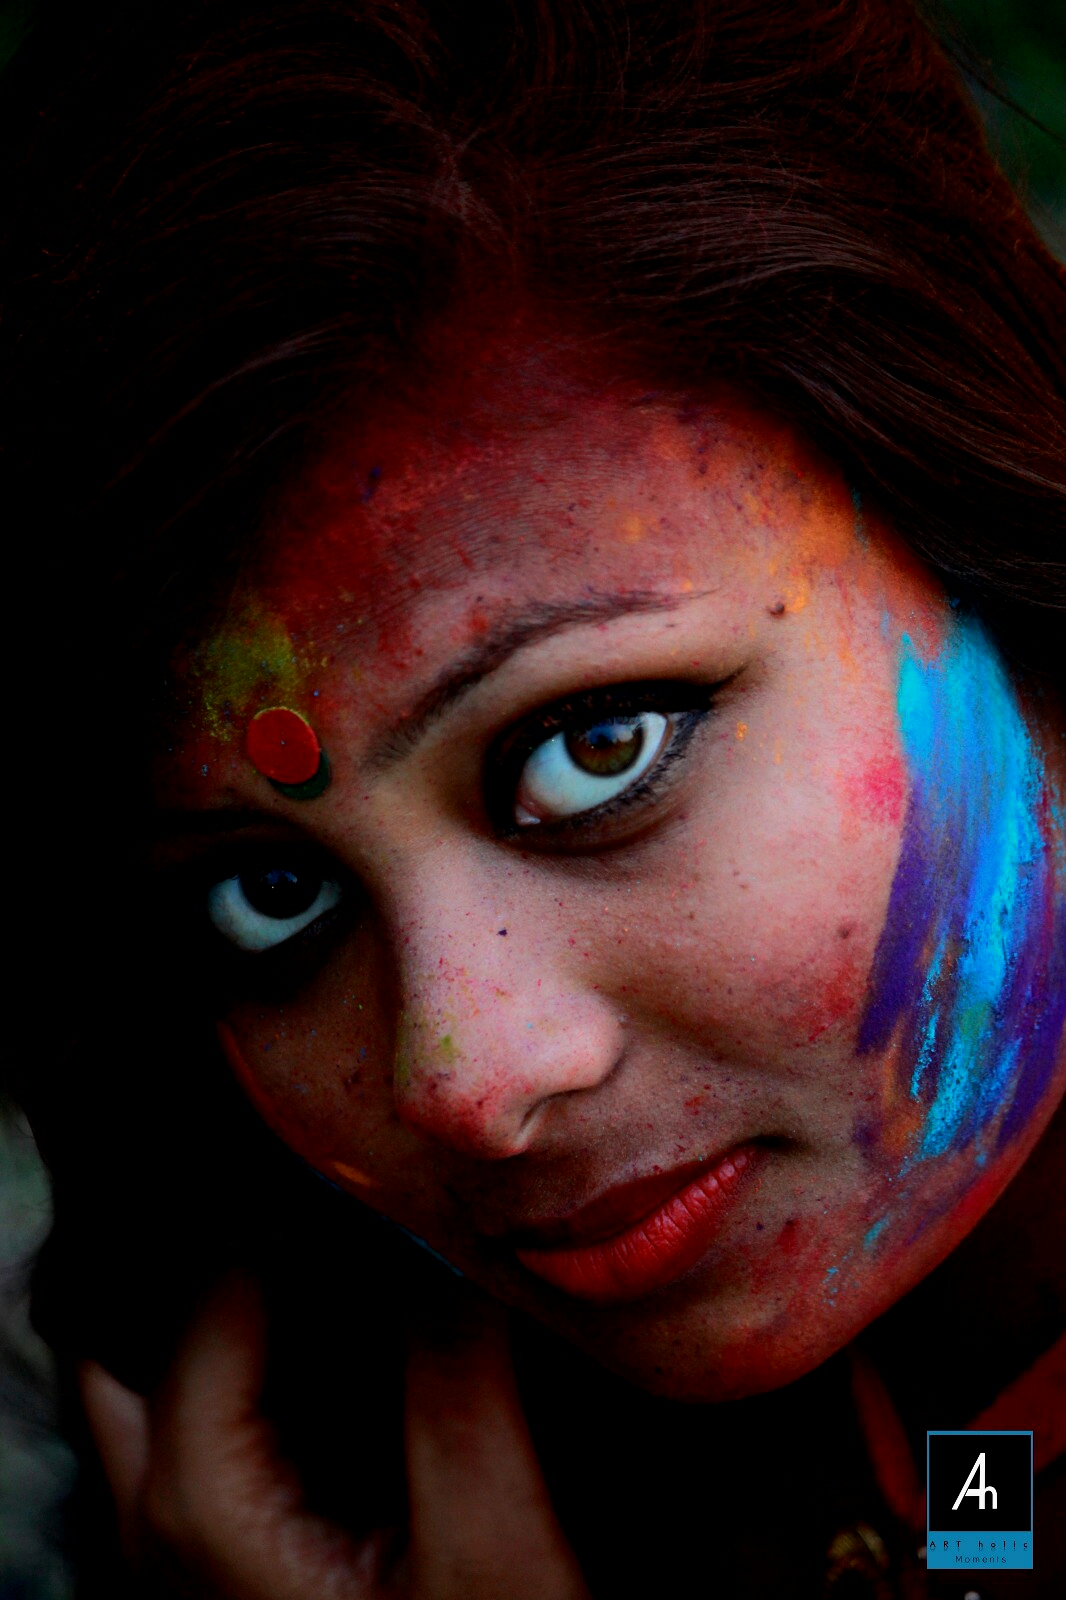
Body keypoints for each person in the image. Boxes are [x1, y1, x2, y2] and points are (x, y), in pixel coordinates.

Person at [3, 1, 1064, 1595]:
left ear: (998, 544)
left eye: (595, 747)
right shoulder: (282, 1403)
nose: (467, 1081)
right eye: (269, 897)